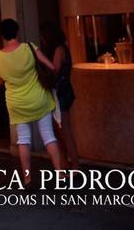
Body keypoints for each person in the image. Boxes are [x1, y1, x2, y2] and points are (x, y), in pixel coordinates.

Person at [0, 18, 64, 186]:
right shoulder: (29, 48)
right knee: (48, 136)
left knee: (23, 140)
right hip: (39, 99)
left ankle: (27, 179)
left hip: (17, 103)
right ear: (17, 32)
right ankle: (61, 176)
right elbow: (51, 67)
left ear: (2, 36)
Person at [40, 21, 79, 170]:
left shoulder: (58, 50)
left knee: (64, 131)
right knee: (61, 131)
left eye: (43, 36)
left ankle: (74, 166)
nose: (42, 39)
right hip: (64, 92)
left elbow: (54, 70)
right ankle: (67, 164)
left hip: (61, 94)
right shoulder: (63, 49)